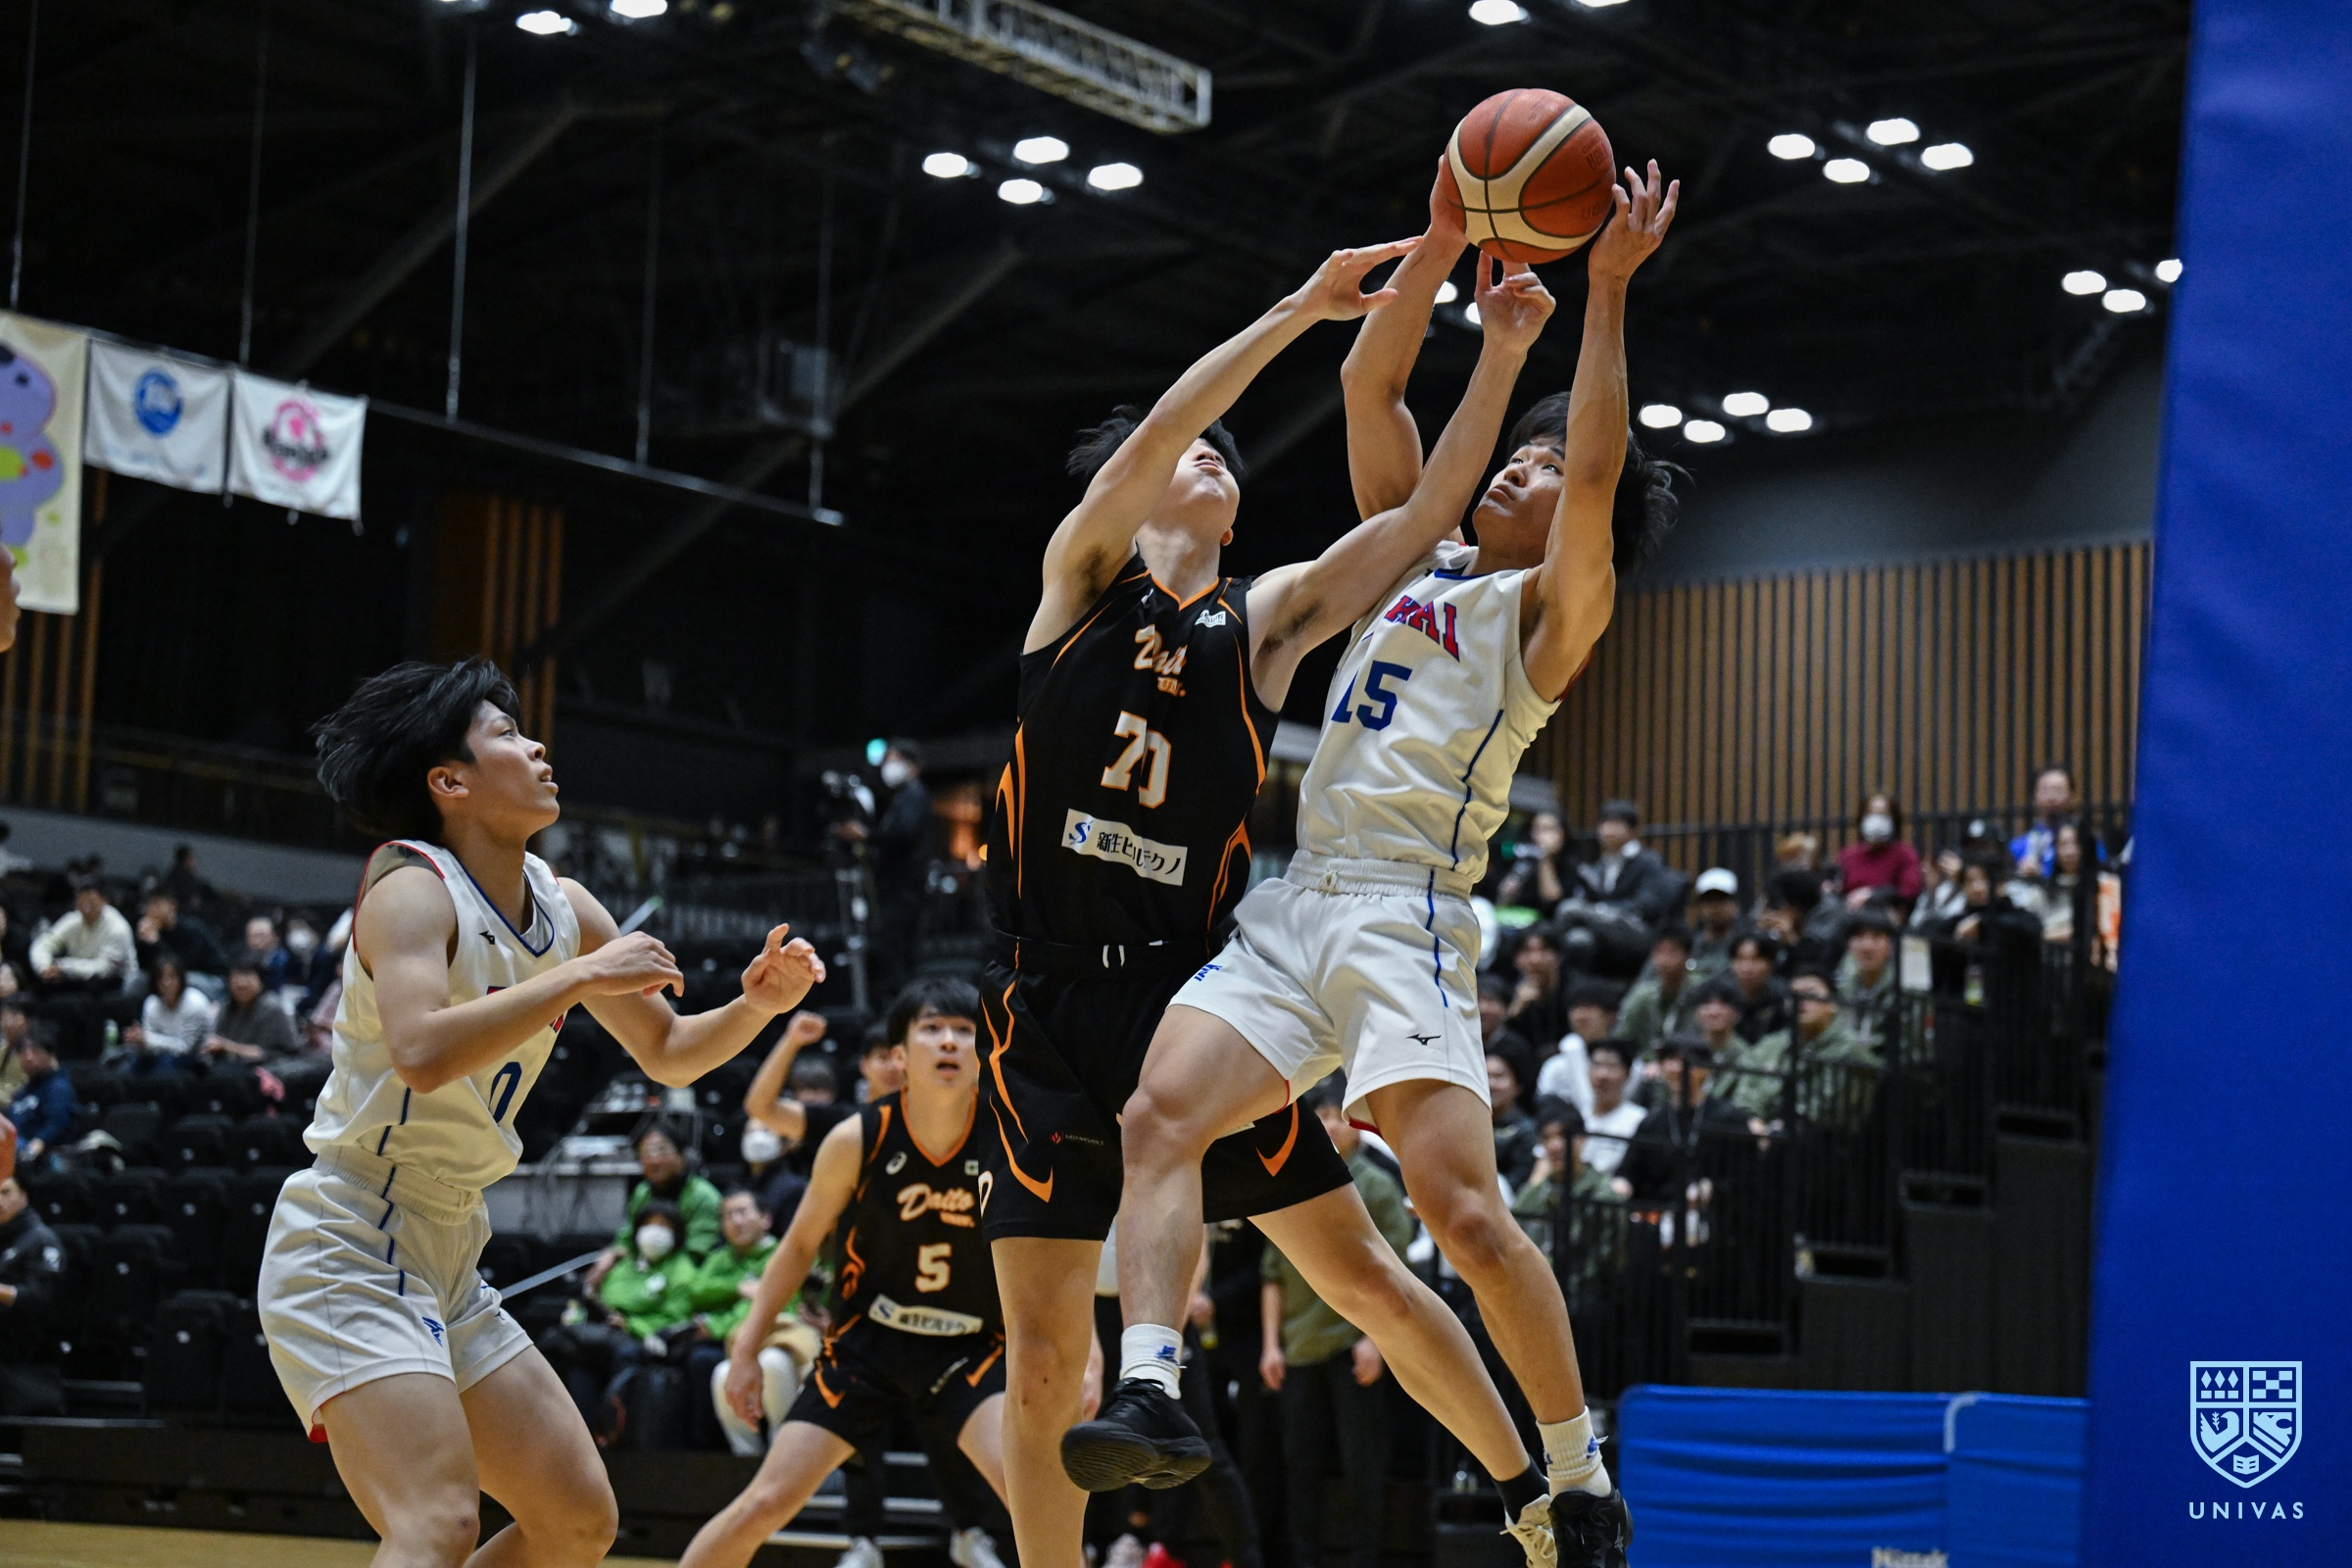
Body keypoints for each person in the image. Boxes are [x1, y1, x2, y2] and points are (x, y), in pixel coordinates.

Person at [1093, 164, 1681, 1567]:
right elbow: (1374, 386)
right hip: (1299, 897)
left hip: (1406, 910)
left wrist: (1603, 293)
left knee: (1462, 1216)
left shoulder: (1554, 609)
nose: (1521, 468)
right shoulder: (1414, 552)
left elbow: (1600, 472)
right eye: (1517, 455)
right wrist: (1439, 243)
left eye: (1541, 468)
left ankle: (1577, 1471)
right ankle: (1153, 1383)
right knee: (1157, 1117)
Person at [257, 658, 826, 1568]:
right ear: (450, 782)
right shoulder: (410, 886)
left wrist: (757, 1005)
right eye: (507, 735)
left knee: (577, 1520)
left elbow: (670, 1051)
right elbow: (421, 1052)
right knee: (436, 1522)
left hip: (451, 1247)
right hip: (351, 1237)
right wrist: (581, 976)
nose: (536, 746)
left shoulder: (566, 908)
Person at [680, 978, 1012, 1568]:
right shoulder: (856, 1136)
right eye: (932, 1028)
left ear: (984, 1054)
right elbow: (797, 1247)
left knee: (1037, 1500)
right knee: (764, 1504)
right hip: (867, 1348)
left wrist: (1085, 1350)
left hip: (968, 1348)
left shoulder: (1007, 1140)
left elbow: (1047, 1254)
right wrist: (749, 1346)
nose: (949, 1042)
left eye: (965, 1031)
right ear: (899, 1054)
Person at [1258, 1081, 1413, 1568]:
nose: (1328, 1125)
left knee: (1362, 1464)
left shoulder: (1379, 1187)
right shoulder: (1291, 1182)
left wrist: (1376, 1341)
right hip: (1298, 1345)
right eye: (1320, 1115)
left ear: (1359, 1126)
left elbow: (1398, 1272)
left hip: (1353, 1346)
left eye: (1337, 1116)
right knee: (1298, 1464)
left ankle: (1365, 1560)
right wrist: (1271, 1346)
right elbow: (1271, 1273)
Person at [544, 1198, 699, 1441]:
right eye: (649, 1224)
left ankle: (618, 1434)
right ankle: (581, 1437)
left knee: (623, 1354)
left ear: (676, 1233)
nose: (654, 1232)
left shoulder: (683, 1270)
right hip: (606, 1335)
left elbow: (676, 1318)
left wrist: (630, 1324)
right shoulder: (624, 1265)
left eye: (663, 1226)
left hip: (646, 1341)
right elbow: (600, 1301)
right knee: (577, 1362)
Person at [1715, 968, 1880, 1130]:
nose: (1801, 1000)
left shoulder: (1849, 1051)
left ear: (1832, 1004)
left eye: (1810, 994)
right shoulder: (1771, 1044)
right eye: (1794, 995)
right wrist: (1752, 1121)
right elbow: (1745, 1093)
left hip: (1822, 1137)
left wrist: (1776, 1128)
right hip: (1762, 1132)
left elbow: (1829, 1113)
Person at [586, 1120, 725, 1292]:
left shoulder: (704, 1196)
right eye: (646, 1153)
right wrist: (613, 1254)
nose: (654, 1160)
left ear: (682, 1156)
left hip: (688, 1275)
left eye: (662, 1150)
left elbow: (697, 1252)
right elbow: (626, 1238)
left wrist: (654, 1277)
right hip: (643, 1269)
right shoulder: (642, 1192)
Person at [1613, 1037, 1753, 1204]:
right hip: (1660, 1212)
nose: (1678, 1068)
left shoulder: (1730, 1118)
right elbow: (1628, 1172)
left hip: (1715, 1213)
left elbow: (1747, 1176)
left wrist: (1713, 1189)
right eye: (1671, 1060)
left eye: (1688, 1062)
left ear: (1706, 1070)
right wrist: (1621, 1186)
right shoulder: (1651, 1123)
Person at [0, 1172, 67, 1416]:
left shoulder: (40, 1240)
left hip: (22, 1348)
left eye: (6, 1192)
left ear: (24, 1197)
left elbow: (40, 1299)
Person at [1571, 800, 1682, 926]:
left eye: (1616, 824)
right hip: (1602, 924)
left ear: (1633, 829)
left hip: (1636, 925)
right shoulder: (1600, 863)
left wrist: (1602, 910)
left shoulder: (1649, 861)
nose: (1609, 831)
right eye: (1605, 824)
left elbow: (1648, 903)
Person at [1534, 979, 1622, 1116]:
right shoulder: (1555, 1066)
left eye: (1589, 1007)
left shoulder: (1627, 1060)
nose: (1581, 1015)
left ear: (1611, 1015)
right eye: (1575, 1008)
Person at [202, 956, 302, 1064]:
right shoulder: (227, 1006)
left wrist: (225, 1045)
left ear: (261, 981)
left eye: (247, 976)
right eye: (236, 977)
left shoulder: (272, 1008)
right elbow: (215, 1039)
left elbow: (263, 1053)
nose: (241, 983)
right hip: (232, 1065)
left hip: (270, 1067)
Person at [122, 956, 216, 1071]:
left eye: (172, 977)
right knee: (133, 1064)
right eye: (161, 979)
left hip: (196, 1059)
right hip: (163, 1055)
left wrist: (148, 1039)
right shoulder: (151, 1004)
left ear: (181, 979)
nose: (167, 983)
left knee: (166, 1066)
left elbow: (185, 1047)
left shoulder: (195, 1003)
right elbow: (150, 1046)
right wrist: (138, 1041)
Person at [1615, 926, 1698, 1052]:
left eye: (1673, 952)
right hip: (1648, 1060)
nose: (1664, 960)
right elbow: (1622, 1037)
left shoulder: (1701, 991)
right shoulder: (1643, 996)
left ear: (1687, 955)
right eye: (1659, 952)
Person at [5, 1030, 75, 1174]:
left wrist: (36, 1146)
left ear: (50, 1055)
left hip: (44, 1155)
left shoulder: (58, 1087)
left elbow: (57, 1123)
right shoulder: (21, 1093)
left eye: (35, 1051)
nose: (28, 1057)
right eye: (23, 1052)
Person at [1838, 793, 1922, 910]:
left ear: (1894, 820)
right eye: (1871, 814)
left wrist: (1873, 895)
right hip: (1849, 913)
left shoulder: (1905, 854)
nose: (1876, 820)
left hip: (1884, 913)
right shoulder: (1848, 855)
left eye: (1882, 814)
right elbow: (1839, 889)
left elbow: (1909, 892)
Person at [1577, 1040, 1647, 1178]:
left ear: (1627, 1073)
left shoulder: (1640, 1121)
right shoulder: (1575, 1116)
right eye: (1597, 1065)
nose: (1603, 1075)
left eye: (1612, 1067)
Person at [1836, 909, 1899, 1046]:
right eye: (1859, 937)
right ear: (1848, 945)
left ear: (1890, 946)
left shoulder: (1901, 990)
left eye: (1876, 937)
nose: (1867, 947)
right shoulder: (1841, 985)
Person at [134, 891, 228, 981]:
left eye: (157, 906)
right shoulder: (152, 930)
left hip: (209, 976)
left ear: (172, 906)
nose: (153, 911)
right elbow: (143, 965)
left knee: (179, 981)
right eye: (149, 906)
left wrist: (156, 943)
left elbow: (183, 968)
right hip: (172, 978)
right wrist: (142, 942)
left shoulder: (191, 930)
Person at [2010, 766, 2081, 878]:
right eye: (2045, 790)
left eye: (2058, 790)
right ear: (2034, 797)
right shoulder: (2020, 845)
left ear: (2073, 796)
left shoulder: (2087, 842)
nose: (2051, 798)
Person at [1494, 808, 1570, 912]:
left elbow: (1551, 898)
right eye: (1536, 829)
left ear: (1561, 834)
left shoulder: (1569, 863)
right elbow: (1502, 900)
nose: (1539, 835)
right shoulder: (1525, 858)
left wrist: (1544, 859)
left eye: (1546, 829)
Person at [1725, 931, 1791, 1044]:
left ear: (1770, 963)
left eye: (1755, 959)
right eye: (1740, 959)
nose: (1746, 968)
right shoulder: (1718, 995)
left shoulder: (1783, 997)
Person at [1488, 1050, 1540, 1190]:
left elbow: (1518, 1183)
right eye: (1485, 1076)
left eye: (1499, 1077)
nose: (1490, 1084)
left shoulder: (1527, 1131)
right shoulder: (1467, 1125)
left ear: (1517, 1085)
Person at [1687, 870, 1740, 977]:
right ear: (1699, 907)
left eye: (1722, 900)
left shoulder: (1744, 947)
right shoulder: (1689, 945)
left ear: (1735, 905)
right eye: (1709, 901)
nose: (1715, 907)